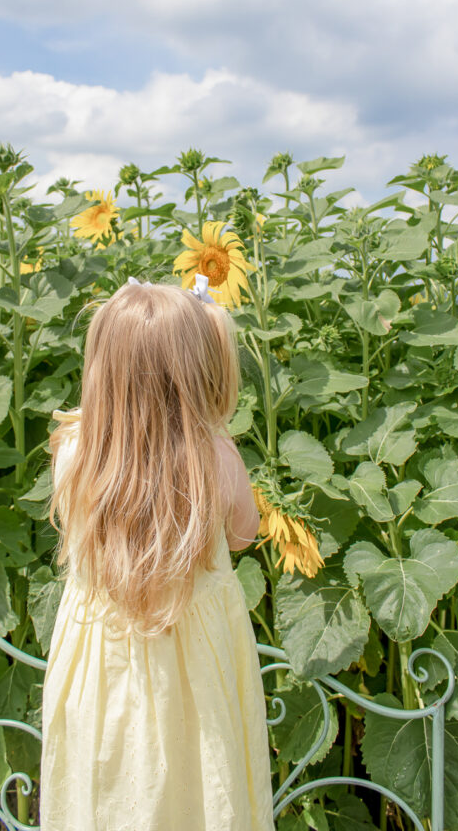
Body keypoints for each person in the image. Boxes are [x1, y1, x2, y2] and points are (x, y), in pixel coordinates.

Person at [40, 277, 275, 831]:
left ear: (102, 369)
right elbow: (244, 535)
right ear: (196, 372)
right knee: (203, 783)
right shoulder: (217, 458)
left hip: (100, 662)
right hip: (198, 665)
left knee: (104, 786)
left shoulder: (73, 452)